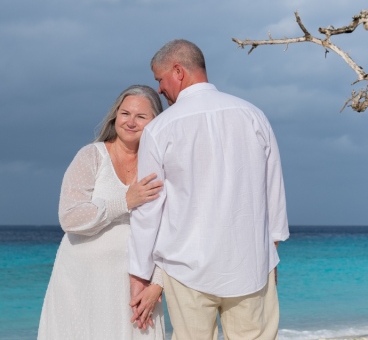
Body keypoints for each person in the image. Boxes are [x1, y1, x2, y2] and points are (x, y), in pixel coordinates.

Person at [129, 39, 289, 340]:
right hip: (251, 264)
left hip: (187, 268)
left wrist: (139, 274)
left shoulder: (160, 129)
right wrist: (271, 253)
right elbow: (274, 193)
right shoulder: (253, 115)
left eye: (160, 80)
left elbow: (149, 209)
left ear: (178, 71)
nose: (160, 90)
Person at [38, 85, 166, 340]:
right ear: (114, 116)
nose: (131, 122)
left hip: (136, 285)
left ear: (155, 122)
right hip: (80, 284)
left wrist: (158, 283)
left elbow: (171, 228)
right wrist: (125, 201)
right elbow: (69, 217)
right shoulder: (91, 156)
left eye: (141, 116)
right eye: (125, 113)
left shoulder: (161, 165)